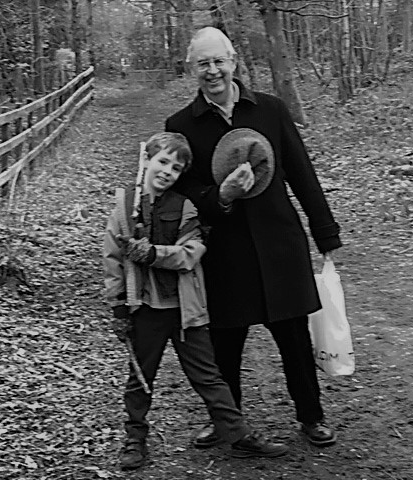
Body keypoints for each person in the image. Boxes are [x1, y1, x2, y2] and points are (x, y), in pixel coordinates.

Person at [165, 27, 342, 449]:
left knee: (294, 337)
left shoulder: (270, 110)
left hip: (279, 240)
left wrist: (325, 231)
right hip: (223, 248)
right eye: (203, 64)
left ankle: (311, 416)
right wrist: (219, 196)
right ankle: (227, 421)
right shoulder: (181, 125)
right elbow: (183, 189)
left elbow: (302, 173)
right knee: (224, 342)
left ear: (233, 62)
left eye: (219, 61)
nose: (213, 71)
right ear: (193, 69)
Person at [103, 132, 289, 471]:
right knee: (140, 376)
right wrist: (118, 308)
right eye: (162, 162)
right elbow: (113, 259)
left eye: (175, 168)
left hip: (185, 309)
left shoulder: (185, 206)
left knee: (208, 375)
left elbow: (191, 253)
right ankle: (134, 438)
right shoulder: (123, 206)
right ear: (146, 161)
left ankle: (237, 434)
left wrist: (155, 253)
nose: (167, 172)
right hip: (144, 309)